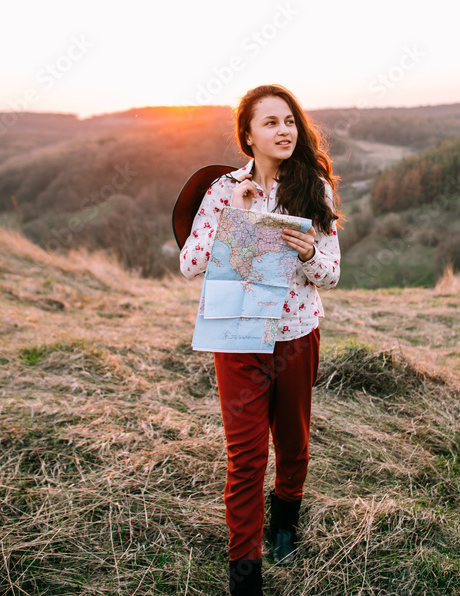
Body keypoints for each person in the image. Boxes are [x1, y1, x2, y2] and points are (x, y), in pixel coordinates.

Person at [179, 84, 341, 595]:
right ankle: (244, 575)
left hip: (295, 335)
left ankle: (285, 522)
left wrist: (309, 252)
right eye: (270, 122)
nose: (284, 130)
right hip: (237, 336)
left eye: (290, 121)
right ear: (247, 136)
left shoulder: (315, 189)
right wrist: (234, 216)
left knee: (291, 444)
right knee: (246, 458)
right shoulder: (223, 189)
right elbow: (190, 265)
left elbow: (332, 274)